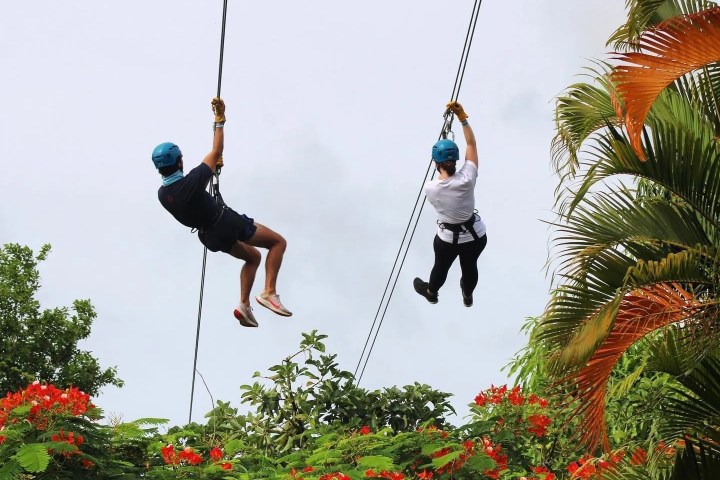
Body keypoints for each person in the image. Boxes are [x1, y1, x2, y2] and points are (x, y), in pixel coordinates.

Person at [152, 98, 292, 328]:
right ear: (179, 162)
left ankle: (244, 306)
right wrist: (220, 121)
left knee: (253, 257)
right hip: (225, 222)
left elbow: (195, 195)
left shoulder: (163, 194)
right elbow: (216, 150)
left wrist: (212, 170)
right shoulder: (191, 182)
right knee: (277, 243)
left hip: (210, 237)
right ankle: (269, 292)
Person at [413, 101, 487, 307]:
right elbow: (471, 146)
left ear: (436, 163)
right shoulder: (468, 177)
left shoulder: (431, 188)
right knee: (470, 266)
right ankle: (468, 294)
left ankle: (431, 292)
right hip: (475, 235)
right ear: (456, 160)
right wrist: (462, 118)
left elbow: (442, 175)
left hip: (447, 238)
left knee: (441, 266)